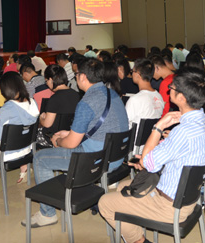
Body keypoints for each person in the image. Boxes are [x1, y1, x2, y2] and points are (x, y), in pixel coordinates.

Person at [98, 68, 205, 243]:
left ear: (181, 98)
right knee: (122, 187)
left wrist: (158, 127)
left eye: (173, 88)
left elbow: (149, 164)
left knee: (105, 202)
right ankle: (135, 228)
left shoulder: (183, 131)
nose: (169, 90)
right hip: (188, 197)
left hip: (169, 205)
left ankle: (139, 240)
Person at [24, 58, 129, 228]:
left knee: (40, 158)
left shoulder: (87, 102)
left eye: (77, 74)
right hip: (115, 156)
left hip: (94, 160)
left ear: (83, 78)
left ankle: (47, 214)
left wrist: (58, 140)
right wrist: (69, 133)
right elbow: (102, 128)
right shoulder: (113, 94)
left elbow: (72, 144)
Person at [0, 72, 39, 192]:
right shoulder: (33, 102)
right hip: (27, 149)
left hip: (8, 153)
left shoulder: (8, 108)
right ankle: (24, 168)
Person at [37, 65, 79, 149]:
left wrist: (41, 118)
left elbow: (47, 124)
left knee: (31, 135)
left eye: (46, 81)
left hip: (52, 137)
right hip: (70, 135)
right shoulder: (76, 94)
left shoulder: (54, 98)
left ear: (51, 80)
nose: (47, 84)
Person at [125, 58, 164, 135]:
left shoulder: (135, 100)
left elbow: (124, 125)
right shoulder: (159, 96)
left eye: (132, 71)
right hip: (152, 142)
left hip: (134, 144)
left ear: (138, 74)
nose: (131, 74)